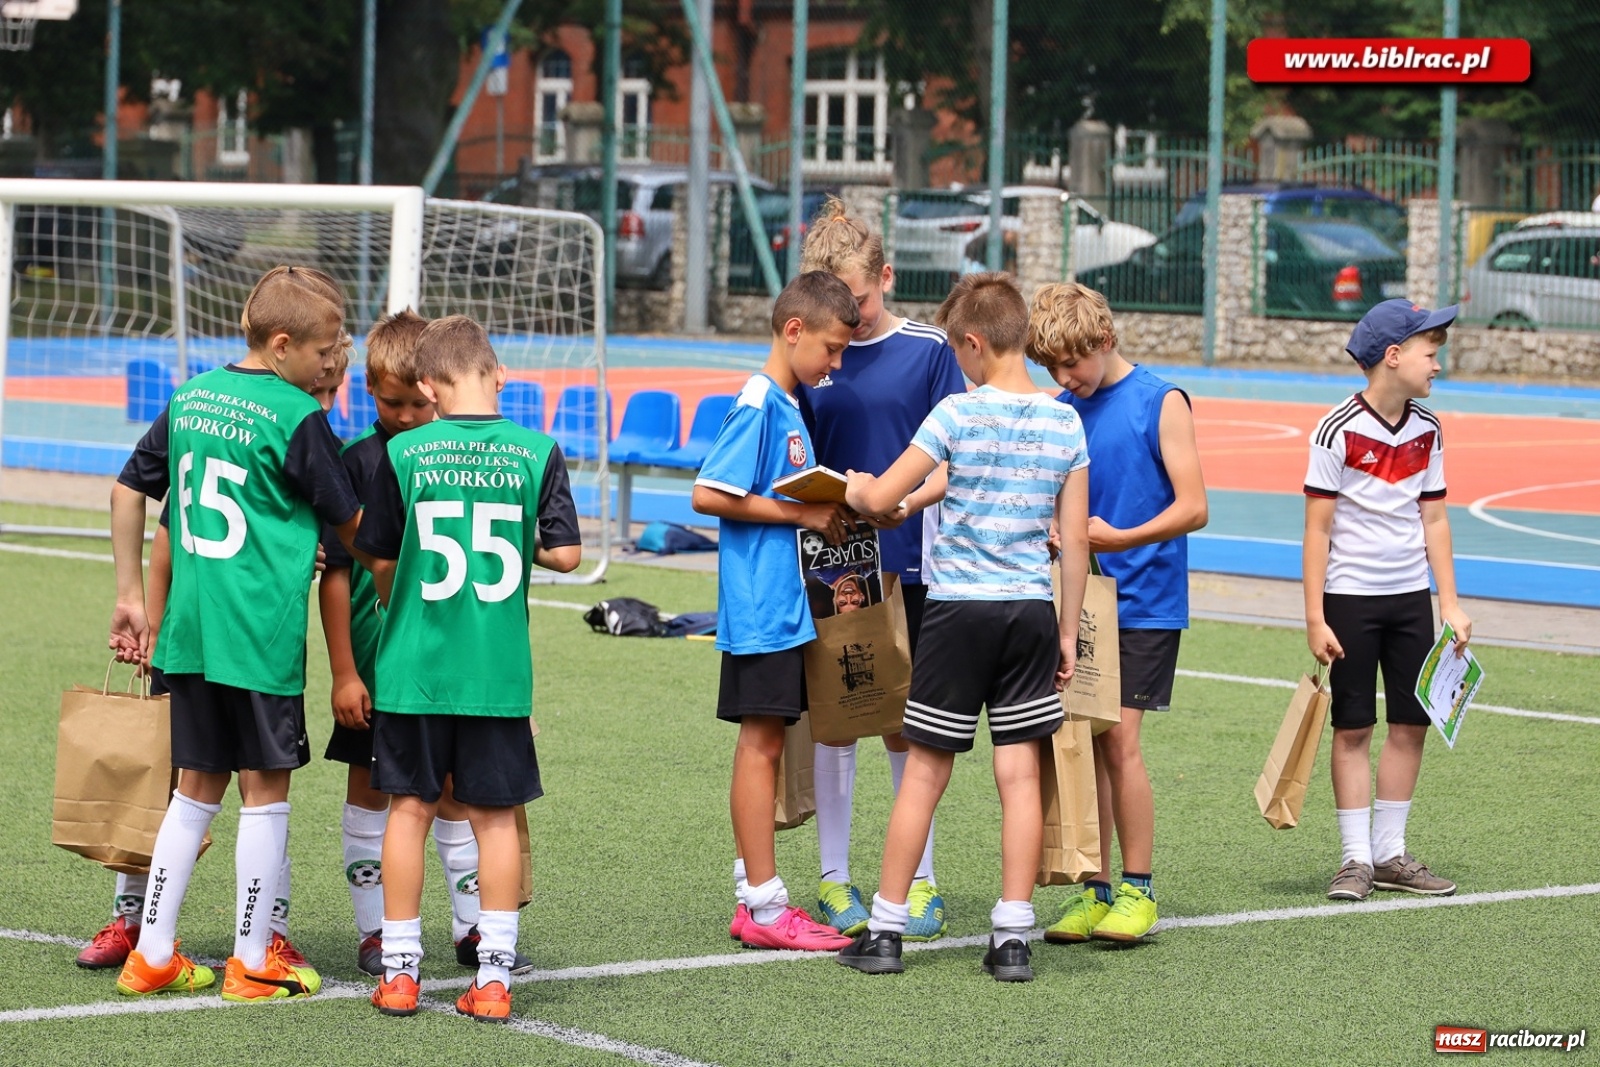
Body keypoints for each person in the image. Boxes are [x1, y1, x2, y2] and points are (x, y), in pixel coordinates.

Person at [108, 265, 362, 1000]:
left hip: (189, 633)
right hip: (258, 635)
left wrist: (130, 594)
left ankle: (153, 951)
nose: (328, 365)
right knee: (266, 793)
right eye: (324, 353)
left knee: (194, 792)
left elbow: (128, 489)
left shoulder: (189, 398)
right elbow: (351, 524)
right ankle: (253, 956)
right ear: (283, 345)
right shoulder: (295, 414)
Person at [836, 273, 1090, 982]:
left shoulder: (954, 414)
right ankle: (1012, 935)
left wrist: (857, 488)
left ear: (973, 343)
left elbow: (884, 495)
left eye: (960, 351)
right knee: (1018, 775)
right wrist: (1067, 632)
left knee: (924, 770)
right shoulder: (1064, 420)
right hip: (1030, 612)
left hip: (957, 612)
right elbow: (1073, 540)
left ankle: (886, 927)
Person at [355, 315, 581, 1022]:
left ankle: (399, 970)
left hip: (414, 668)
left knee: (409, 809)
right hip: (497, 672)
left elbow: (379, 555)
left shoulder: (406, 453)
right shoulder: (538, 450)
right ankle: (494, 978)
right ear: (501, 374)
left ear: (427, 384)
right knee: (494, 820)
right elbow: (568, 554)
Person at [317, 310, 533, 979]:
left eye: (418, 401)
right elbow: (340, 571)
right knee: (376, 791)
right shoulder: (357, 460)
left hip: (437, 668)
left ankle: (471, 929)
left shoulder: (455, 456)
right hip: (383, 667)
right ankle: (376, 929)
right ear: (370, 393)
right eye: (393, 402)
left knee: (450, 794)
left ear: (437, 391)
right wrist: (345, 671)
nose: (408, 415)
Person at [795, 196, 966, 942]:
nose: (850, 318)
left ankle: (921, 878)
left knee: (907, 723)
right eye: (836, 304)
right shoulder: (809, 358)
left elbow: (950, 457)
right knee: (836, 723)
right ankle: (834, 879)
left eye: (858, 300)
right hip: (831, 564)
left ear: (886, 278)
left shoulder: (930, 351)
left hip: (914, 563)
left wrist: (902, 502)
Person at [1024, 282, 1209, 944]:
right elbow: (1054, 497)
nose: (1066, 377)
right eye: (1053, 368)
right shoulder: (1062, 407)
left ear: (1105, 341)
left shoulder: (1161, 401)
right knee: (1088, 744)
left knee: (1121, 743)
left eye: (1073, 363)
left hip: (1147, 601)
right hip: (1082, 603)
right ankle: (1095, 889)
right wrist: (1056, 529)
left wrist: (1114, 538)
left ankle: (1139, 887)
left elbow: (1194, 506)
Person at [691, 271, 861, 953]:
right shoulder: (760, 402)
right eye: (830, 347)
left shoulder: (789, 402)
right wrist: (806, 513)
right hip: (761, 608)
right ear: (793, 331)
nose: (836, 363)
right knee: (760, 746)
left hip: (786, 607)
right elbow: (708, 493)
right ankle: (762, 906)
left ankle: (752, 890)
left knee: (766, 745)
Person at [1304, 298, 1469, 902]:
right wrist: (1315, 616)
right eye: (1431, 352)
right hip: (1349, 599)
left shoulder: (1429, 428)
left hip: (1410, 601)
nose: (1438, 364)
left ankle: (1391, 853)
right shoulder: (1335, 429)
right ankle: (1354, 860)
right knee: (1352, 728)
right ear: (1393, 357)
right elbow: (1317, 530)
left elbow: (1436, 521)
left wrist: (1448, 603)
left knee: (1410, 723)